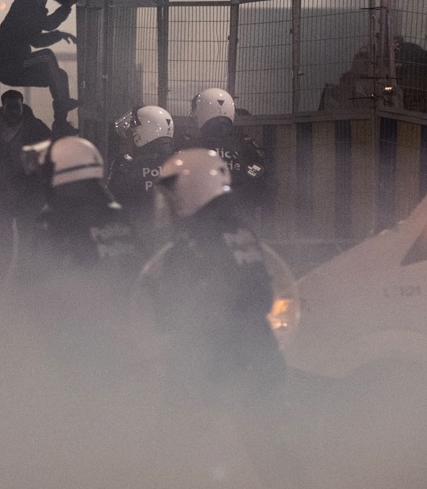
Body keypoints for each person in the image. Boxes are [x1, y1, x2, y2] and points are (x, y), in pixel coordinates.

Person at [146, 148, 302, 487]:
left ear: (193, 187)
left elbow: (175, 309)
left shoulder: (191, 240)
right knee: (273, 456)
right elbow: (259, 292)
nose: (170, 202)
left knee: (170, 455)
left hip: (207, 363)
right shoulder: (241, 230)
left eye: (173, 192)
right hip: (259, 358)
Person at [19, 136, 142, 369]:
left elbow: (37, 275)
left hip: (80, 336)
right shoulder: (115, 211)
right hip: (127, 327)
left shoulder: (56, 217)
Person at [0, 0, 79, 134]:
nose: (46, 0)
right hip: (10, 64)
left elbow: (42, 30)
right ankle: (62, 104)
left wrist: (60, 30)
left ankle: (60, 122)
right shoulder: (24, 11)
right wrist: (68, 6)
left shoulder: (26, 10)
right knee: (47, 56)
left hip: (16, 65)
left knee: (59, 76)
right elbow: (42, 35)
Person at [183, 88, 270, 219]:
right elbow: (260, 177)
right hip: (240, 218)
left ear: (201, 113)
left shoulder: (192, 146)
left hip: (203, 221)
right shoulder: (246, 144)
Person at [108, 105, 176, 250]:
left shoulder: (126, 165)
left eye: (131, 135)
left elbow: (111, 203)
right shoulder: (181, 164)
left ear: (141, 136)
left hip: (135, 244)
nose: (127, 140)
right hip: (173, 245)